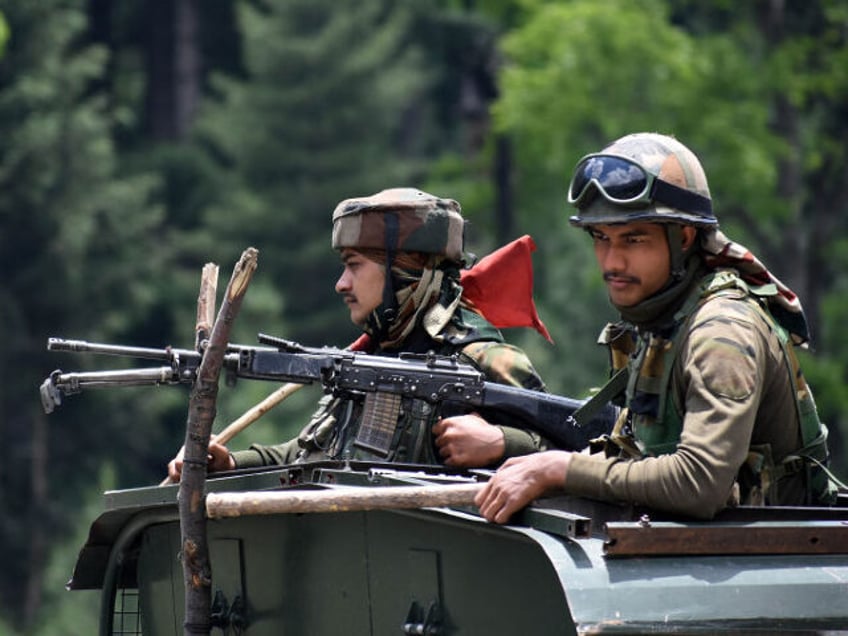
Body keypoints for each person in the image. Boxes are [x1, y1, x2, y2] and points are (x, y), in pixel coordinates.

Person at [472, 132, 837, 523]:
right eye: (601, 238)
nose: (612, 261)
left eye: (633, 239)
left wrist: (559, 470)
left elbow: (698, 484)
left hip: (775, 562)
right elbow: (633, 454)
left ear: (682, 237)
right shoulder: (664, 317)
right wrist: (521, 452)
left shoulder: (721, 332)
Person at [168, 187, 553, 481]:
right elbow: (314, 455)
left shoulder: (483, 360)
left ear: (407, 270)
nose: (341, 284)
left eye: (354, 265)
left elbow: (576, 456)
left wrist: (501, 443)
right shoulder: (373, 358)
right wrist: (232, 463)